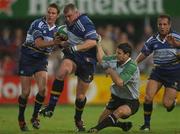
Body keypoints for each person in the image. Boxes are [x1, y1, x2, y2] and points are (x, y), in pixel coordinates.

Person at [39, 3, 98, 132]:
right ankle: (51, 107)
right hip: (74, 57)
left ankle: (78, 120)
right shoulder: (67, 26)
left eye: (69, 16)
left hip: (88, 60)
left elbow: (92, 42)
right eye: (65, 16)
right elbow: (68, 43)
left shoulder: (84, 22)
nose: (67, 19)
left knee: (80, 97)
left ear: (76, 13)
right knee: (62, 71)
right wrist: (60, 44)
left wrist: (74, 48)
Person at [18, 3, 62, 131]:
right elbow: (38, 43)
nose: (50, 15)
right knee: (25, 93)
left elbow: (58, 46)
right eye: (49, 12)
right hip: (28, 57)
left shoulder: (57, 30)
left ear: (57, 15)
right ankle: (21, 118)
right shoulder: (38, 24)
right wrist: (55, 42)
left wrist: (65, 45)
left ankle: (35, 116)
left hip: (41, 60)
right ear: (46, 13)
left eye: (53, 13)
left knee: (43, 90)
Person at [135, 14, 180, 131]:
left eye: (165, 24)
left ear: (169, 25)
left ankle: (172, 102)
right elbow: (144, 53)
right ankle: (146, 125)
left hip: (174, 72)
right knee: (148, 97)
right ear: (157, 25)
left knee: (167, 104)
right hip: (158, 71)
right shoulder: (152, 39)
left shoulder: (177, 37)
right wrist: (133, 65)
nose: (162, 27)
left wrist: (175, 45)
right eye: (160, 24)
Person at [88, 42, 140, 133]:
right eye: (116, 52)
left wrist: (111, 71)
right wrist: (98, 44)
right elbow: (102, 59)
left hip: (130, 100)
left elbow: (120, 82)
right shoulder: (116, 59)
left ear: (126, 55)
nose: (116, 55)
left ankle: (95, 129)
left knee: (119, 112)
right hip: (116, 98)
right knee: (101, 121)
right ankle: (123, 125)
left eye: (119, 53)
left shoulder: (132, 66)